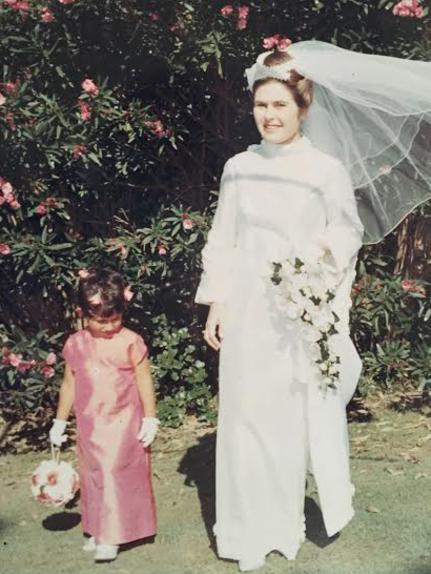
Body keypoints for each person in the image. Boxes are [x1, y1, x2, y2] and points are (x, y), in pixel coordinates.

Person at [195, 47, 364, 571]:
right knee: (244, 416)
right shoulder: (238, 168)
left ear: (302, 108)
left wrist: (312, 260)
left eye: (280, 105)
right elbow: (223, 239)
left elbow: (347, 231)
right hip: (246, 309)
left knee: (286, 420)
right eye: (262, 105)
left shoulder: (325, 169)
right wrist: (216, 303)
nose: (270, 115)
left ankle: (281, 525)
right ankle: (246, 529)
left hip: (296, 313)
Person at [49, 269, 159, 563]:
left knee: (114, 473)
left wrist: (150, 417)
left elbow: (144, 379)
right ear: (82, 313)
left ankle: (112, 535)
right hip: (90, 423)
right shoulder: (76, 344)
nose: (109, 326)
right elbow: (69, 383)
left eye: (114, 319)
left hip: (123, 421)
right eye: (101, 320)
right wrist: (60, 420)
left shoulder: (130, 341)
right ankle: (97, 527)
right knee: (94, 475)